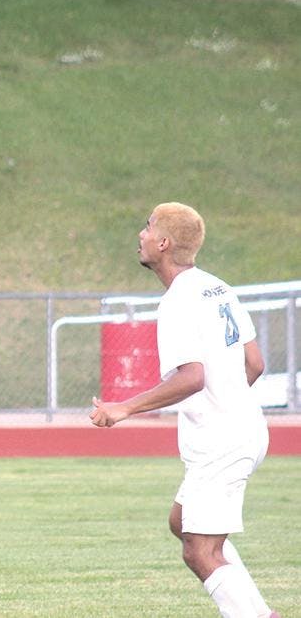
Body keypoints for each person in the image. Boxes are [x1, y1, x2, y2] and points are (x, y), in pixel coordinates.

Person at [90, 202, 279, 618]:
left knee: (199, 550)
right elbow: (255, 364)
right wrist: (227, 402)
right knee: (183, 525)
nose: (140, 235)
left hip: (222, 441)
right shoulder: (217, 287)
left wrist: (123, 408)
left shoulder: (178, 300)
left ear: (163, 243)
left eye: (147, 227)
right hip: (244, 429)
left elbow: (191, 376)